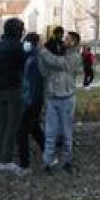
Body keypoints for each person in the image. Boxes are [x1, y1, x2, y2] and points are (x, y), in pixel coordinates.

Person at [39, 28, 82, 173]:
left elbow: (59, 63)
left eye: (68, 39)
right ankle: (47, 162)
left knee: (66, 133)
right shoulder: (58, 52)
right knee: (50, 132)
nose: (65, 41)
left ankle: (67, 161)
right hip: (52, 97)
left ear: (74, 42)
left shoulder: (75, 57)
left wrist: (42, 51)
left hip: (67, 99)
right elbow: (45, 71)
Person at [0, 18, 26, 173]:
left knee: (2, 125)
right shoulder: (17, 47)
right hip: (14, 89)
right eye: (21, 29)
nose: (23, 32)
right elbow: (24, 66)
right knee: (13, 125)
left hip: (0, 90)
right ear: (16, 30)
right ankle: (6, 160)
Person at [17, 31, 45, 171]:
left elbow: (34, 82)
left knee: (22, 132)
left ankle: (25, 165)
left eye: (26, 41)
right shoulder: (32, 56)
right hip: (33, 99)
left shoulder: (35, 58)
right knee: (35, 129)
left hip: (32, 100)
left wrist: (30, 101)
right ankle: (48, 154)